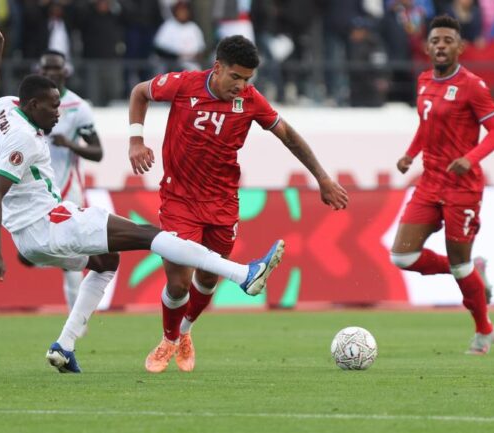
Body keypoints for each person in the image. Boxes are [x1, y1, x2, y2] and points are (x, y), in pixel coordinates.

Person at [0, 5, 284, 374]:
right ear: (33, 105)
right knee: (153, 236)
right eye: (54, 108)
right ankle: (242, 274)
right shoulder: (25, 139)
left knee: (107, 262)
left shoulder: (4, 109)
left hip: (30, 238)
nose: (59, 114)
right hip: (49, 224)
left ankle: (65, 346)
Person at [128, 35, 349, 373]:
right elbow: (139, 92)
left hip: (223, 202)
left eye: (247, 79)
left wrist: (323, 178)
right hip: (179, 199)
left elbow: (288, 136)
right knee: (178, 282)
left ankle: (185, 331)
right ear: (217, 67)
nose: (241, 86)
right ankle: (168, 339)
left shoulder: (250, 100)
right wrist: (136, 140)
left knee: (207, 279)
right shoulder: (183, 84)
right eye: (235, 77)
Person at [390, 15, 494, 355]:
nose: (440, 46)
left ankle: (484, 331)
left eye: (447, 40)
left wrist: (470, 158)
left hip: (462, 188)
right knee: (402, 256)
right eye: (435, 41)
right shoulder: (424, 79)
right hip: (430, 183)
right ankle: (473, 271)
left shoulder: (473, 86)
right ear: (427, 48)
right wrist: (410, 154)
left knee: (460, 265)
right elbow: (425, 125)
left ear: (460, 47)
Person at [24, 49, 104, 311]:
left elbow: (98, 152)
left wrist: (70, 143)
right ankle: (44, 258)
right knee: (29, 252)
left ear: (65, 71)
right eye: (45, 68)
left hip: (67, 190)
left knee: (72, 256)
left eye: (55, 68)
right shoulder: (28, 103)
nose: (49, 73)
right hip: (35, 191)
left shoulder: (78, 107)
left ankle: (76, 322)